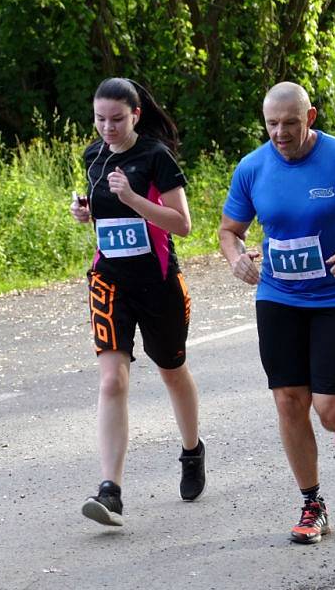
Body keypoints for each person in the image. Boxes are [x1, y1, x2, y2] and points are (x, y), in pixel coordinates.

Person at [218, 81, 335, 544]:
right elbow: (229, 230)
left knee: (332, 410)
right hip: (278, 296)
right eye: (272, 124)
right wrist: (235, 256)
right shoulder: (252, 168)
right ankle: (312, 503)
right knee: (289, 401)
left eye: (290, 123)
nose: (280, 133)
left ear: (310, 117)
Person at [71, 77, 206, 527]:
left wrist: (131, 198)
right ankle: (110, 491)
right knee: (112, 381)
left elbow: (182, 224)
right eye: (99, 119)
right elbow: (104, 216)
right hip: (110, 281)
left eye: (116, 119)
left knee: (172, 370)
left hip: (159, 282)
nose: (107, 128)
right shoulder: (94, 156)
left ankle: (191, 451)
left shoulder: (155, 157)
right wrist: (87, 211)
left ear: (136, 116)